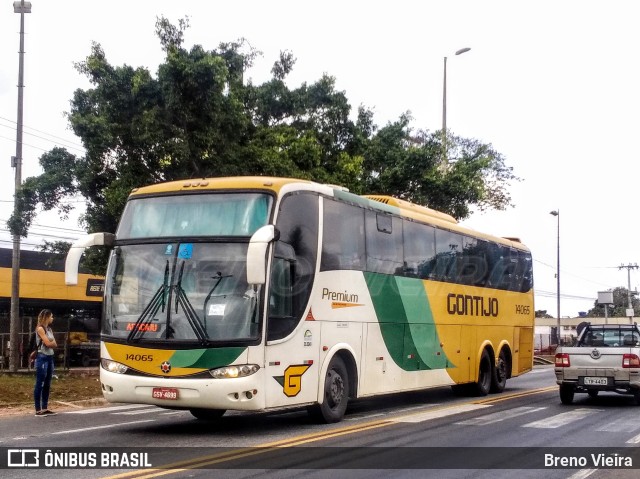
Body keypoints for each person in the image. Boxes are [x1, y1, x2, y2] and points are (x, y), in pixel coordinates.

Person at [33, 309, 57, 417]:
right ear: (46, 317)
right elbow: (48, 343)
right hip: (42, 357)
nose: (52, 318)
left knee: (47, 383)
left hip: (50, 357)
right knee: (40, 383)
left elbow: (55, 344)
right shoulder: (40, 329)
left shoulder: (49, 329)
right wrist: (50, 342)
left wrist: (50, 343)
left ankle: (45, 407)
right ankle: (38, 409)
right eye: (51, 316)